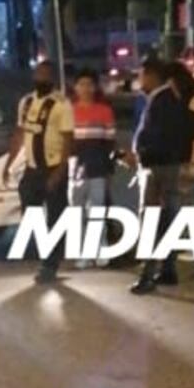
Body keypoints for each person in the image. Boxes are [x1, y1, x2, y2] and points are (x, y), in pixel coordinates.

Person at [130, 55, 194, 295]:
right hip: (163, 166)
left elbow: (161, 138)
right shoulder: (163, 98)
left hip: (160, 169)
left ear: (153, 76)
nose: (139, 80)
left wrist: (141, 155)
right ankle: (167, 269)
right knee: (166, 220)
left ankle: (148, 275)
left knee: (153, 221)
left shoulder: (163, 100)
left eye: (141, 75)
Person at [1, 57, 74, 284]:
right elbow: (19, 135)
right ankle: (47, 253)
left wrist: (59, 173)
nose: (40, 78)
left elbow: (68, 141)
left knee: (56, 215)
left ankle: (50, 264)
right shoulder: (26, 103)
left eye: (45, 75)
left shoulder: (61, 105)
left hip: (52, 168)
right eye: (38, 74)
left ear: (52, 78)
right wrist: (8, 164)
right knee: (31, 213)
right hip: (32, 170)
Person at [69, 69, 118, 263]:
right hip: (75, 169)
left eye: (89, 84)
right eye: (81, 84)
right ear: (76, 87)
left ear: (95, 87)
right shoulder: (69, 110)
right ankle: (83, 254)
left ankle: (101, 251)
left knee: (97, 210)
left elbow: (110, 142)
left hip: (98, 166)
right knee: (77, 212)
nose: (85, 89)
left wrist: (109, 169)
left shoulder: (104, 111)